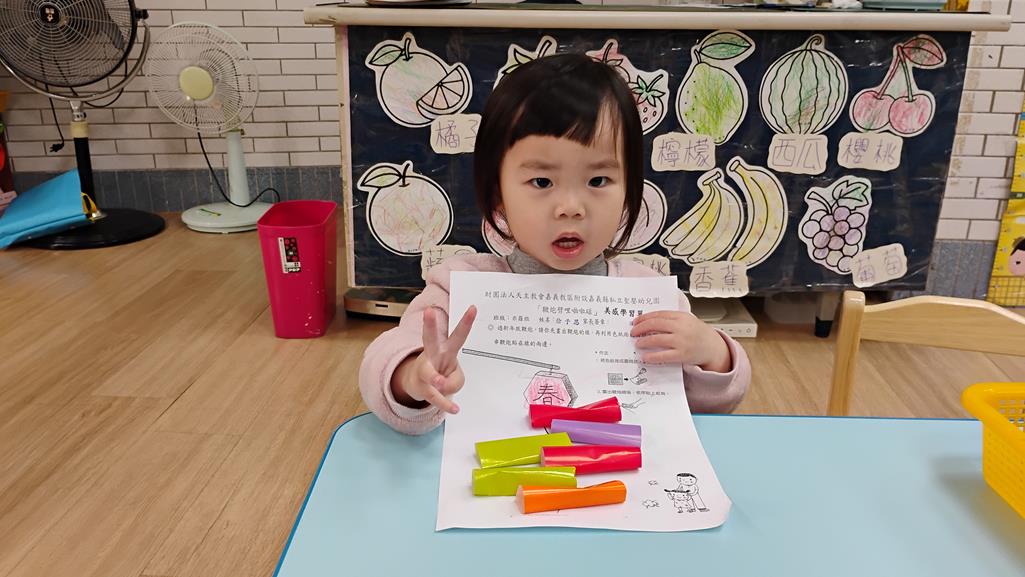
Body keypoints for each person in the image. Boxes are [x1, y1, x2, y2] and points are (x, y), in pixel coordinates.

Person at [359, 53, 751, 435]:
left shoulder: (647, 295)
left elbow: (706, 410)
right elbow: (384, 361)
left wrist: (711, 352)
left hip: (614, 465)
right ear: (498, 196)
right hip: (492, 467)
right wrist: (413, 376)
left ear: (629, 190)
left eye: (598, 181)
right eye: (542, 182)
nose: (570, 208)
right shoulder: (458, 288)